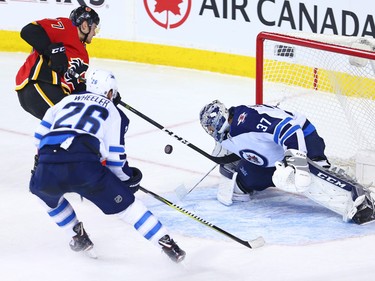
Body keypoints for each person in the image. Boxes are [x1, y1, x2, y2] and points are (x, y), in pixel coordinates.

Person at [29, 69, 186, 262]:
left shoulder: (65, 101)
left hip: (49, 160)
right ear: (110, 93)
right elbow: (115, 158)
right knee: (128, 208)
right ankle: (169, 245)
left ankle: (78, 237)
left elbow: (38, 138)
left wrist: (41, 166)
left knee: (44, 195)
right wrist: (126, 181)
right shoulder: (113, 111)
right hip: (84, 166)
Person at [199, 100, 375, 225]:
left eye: (211, 126)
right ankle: (297, 169)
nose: (210, 131)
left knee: (307, 179)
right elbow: (237, 150)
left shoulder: (246, 119)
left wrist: (296, 163)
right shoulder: (227, 133)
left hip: (302, 138)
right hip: (271, 158)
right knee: (243, 185)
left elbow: (289, 130)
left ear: (220, 118)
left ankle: (358, 198)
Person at [15, 5, 100, 120]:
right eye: (95, 27)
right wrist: (54, 52)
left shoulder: (82, 55)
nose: (95, 33)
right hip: (39, 83)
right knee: (72, 122)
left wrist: (101, 95)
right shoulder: (67, 27)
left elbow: (78, 89)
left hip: (56, 92)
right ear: (85, 25)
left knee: (79, 124)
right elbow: (29, 31)